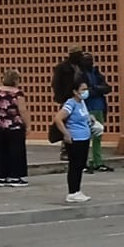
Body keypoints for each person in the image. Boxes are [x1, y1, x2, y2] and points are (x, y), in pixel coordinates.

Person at [54, 76, 93, 204]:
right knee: (75, 166)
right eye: (83, 89)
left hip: (84, 138)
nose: (85, 91)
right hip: (75, 139)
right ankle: (72, 192)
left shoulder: (81, 103)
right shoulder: (70, 104)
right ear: (75, 91)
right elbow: (58, 119)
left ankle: (77, 190)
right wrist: (66, 134)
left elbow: (84, 117)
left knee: (80, 165)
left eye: (86, 89)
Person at [0, 69, 28, 186]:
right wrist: (28, 125)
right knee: (16, 151)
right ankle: (15, 176)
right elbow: (22, 110)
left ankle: (1, 177)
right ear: (16, 80)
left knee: (1, 151)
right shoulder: (17, 93)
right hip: (14, 126)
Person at [81, 52, 112, 173]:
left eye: (90, 60)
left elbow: (107, 88)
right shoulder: (81, 74)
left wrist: (95, 89)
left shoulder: (96, 73)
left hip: (99, 107)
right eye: (86, 60)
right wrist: (97, 89)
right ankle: (84, 162)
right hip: (87, 108)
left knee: (98, 136)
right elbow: (85, 92)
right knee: (85, 137)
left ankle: (97, 162)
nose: (89, 62)